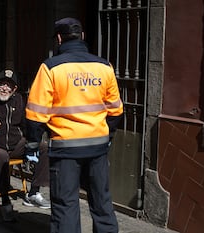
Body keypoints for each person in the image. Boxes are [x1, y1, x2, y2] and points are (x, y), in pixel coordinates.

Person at [25, 17, 123, 233]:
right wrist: (108, 137)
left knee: (65, 205)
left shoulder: (50, 68)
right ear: (83, 37)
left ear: (58, 39)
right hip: (97, 147)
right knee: (102, 203)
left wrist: (32, 143)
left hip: (65, 149)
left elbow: (36, 113)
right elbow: (116, 110)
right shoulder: (104, 66)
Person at [0, 69, 50, 221]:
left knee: (44, 146)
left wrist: (33, 140)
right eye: (2, 84)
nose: (5, 88)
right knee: (1, 155)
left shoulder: (19, 100)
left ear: (14, 89)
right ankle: (5, 201)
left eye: (9, 86)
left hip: (15, 144)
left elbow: (25, 126)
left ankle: (33, 192)